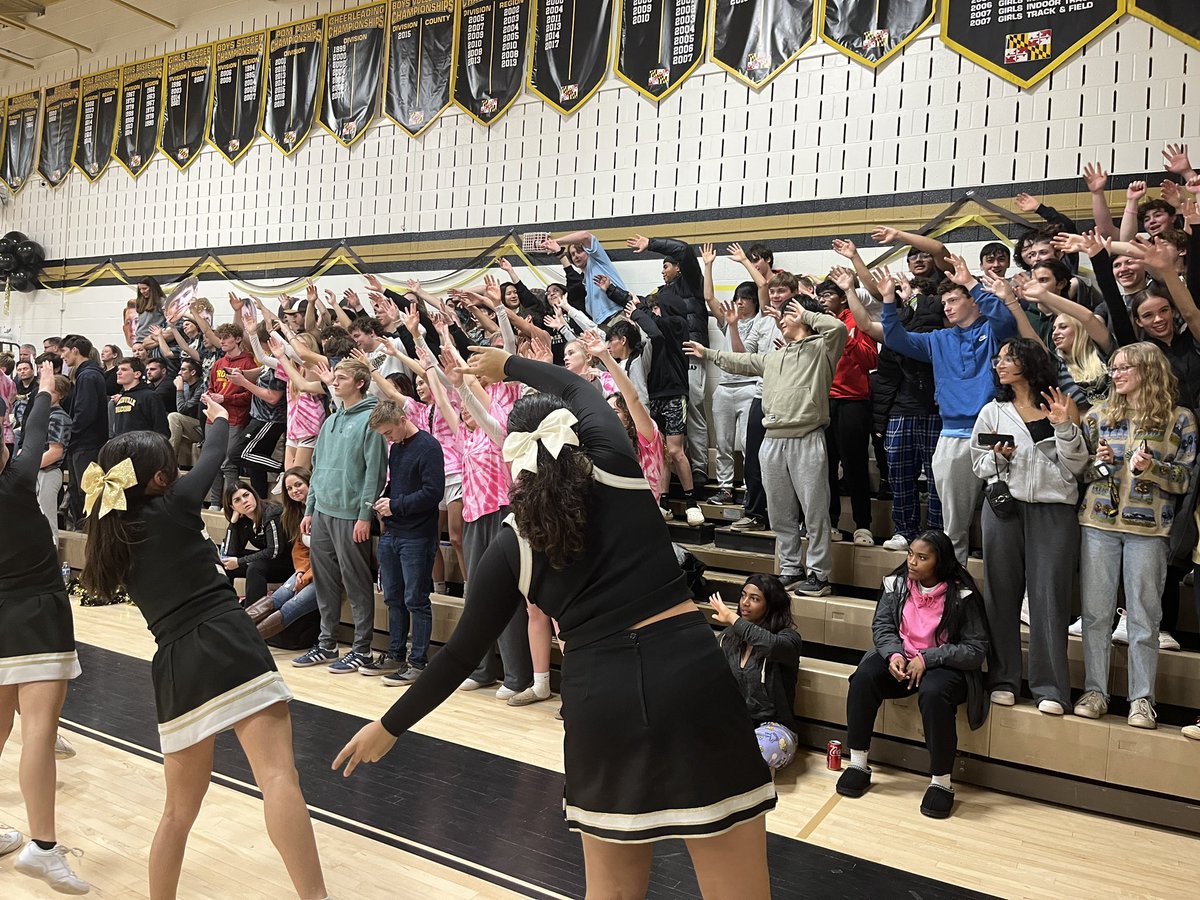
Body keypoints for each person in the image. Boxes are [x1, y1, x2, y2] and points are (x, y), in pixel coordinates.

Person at [335, 350, 774, 899]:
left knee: (611, 893)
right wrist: (509, 365)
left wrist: (389, 726)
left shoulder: (508, 547)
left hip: (600, 700)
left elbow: (459, 655)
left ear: (512, 458)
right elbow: (575, 385)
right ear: (577, 435)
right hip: (690, 674)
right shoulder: (616, 462)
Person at [80, 394, 326, 899]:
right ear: (161, 479)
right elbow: (216, 450)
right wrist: (219, 411)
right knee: (279, 780)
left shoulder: (114, 533)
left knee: (177, 812)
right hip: (228, 639)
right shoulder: (174, 505)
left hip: (174, 664)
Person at [686, 304, 848, 597]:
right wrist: (707, 353)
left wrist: (806, 314)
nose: (781, 321)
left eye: (788, 316)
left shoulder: (821, 350)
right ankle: (790, 568)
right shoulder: (774, 357)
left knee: (814, 510)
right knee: (780, 512)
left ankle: (819, 575)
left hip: (806, 437)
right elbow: (740, 361)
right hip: (772, 439)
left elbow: (838, 328)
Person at [1074, 343, 1197, 728]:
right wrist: (1100, 465)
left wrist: (1153, 467)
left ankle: (1141, 700)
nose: (1116, 374)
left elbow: (1185, 480)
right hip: (1098, 525)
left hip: (1150, 530)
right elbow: (1081, 475)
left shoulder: (1179, 420)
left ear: (1148, 370)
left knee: (1145, 618)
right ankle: (1095, 690)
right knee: (1095, 614)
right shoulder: (1096, 417)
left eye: (1124, 367)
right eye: (1113, 368)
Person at [0, 361, 88, 894]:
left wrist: (41, 394)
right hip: (36, 612)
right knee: (38, 731)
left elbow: (29, 431)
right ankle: (44, 847)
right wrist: (48, 389)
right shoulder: (17, 477)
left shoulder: (17, 471)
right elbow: (34, 429)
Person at [835, 530, 988, 820]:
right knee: (864, 677)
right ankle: (858, 763)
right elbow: (882, 628)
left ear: (939, 562)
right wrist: (893, 654)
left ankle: (941, 782)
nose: (912, 562)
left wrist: (928, 658)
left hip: (944, 665)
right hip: (902, 659)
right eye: (910, 554)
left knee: (933, 693)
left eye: (922, 557)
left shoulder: (962, 595)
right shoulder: (895, 585)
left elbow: (974, 649)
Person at [970, 340, 1088, 715]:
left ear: (1029, 362)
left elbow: (1078, 466)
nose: (999, 363)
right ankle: (1003, 679)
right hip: (1004, 508)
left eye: (1008, 357)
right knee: (1000, 596)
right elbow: (978, 465)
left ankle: (1051, 687)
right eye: (1000, 358)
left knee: (1050, 597)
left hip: (1054, 510)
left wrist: (1064, 427)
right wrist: (996, 458)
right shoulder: (993, 410)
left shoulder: (1060, 403)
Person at [881, 256, 1019, 564]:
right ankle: (953, 587)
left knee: (1006, 518)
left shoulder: (993, 331)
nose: (947, 307)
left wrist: (971, 281)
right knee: (951, 526)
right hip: (952, 434)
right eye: (944, 302)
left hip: (994, 432)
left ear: (973, 301)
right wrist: (889, 302)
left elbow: (1007, 321)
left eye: (954, 299)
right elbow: (895, 338)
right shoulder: (938, 339)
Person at [291, 359, 387, 673]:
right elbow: (316, 468)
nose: (335, 381)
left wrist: (364, 515)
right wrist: (309, 508)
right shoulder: (330, 419)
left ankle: (362, 649)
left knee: (356, 583)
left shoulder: (371, 420)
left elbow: (375, 473)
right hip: (322, 512)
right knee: (325, 583)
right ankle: (327, 644)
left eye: (342, 377)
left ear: (360, 383)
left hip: (350, 516)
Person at [358, 400, 444, 682]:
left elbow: (433, 493)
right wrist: (386, 502)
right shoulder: (396, 448)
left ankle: (418, 661)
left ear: (402, 419)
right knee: (393, 597)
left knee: (416, 600)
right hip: (394, 532)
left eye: (388, 432)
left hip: (417, 535)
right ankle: (395, 654)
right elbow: (397, 484)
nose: (387, 438)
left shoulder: (429, 447)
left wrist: (396, 505)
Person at [709, 575, 803, 771]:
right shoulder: (727, 638)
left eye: (754, 598)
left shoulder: (788, 640)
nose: (744, 603)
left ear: (771, 605)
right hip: (736, 722)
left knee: (763, 748)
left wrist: (732, 619)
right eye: (743, 595)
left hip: (774, 728)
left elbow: (770, 645)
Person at [244, 468, 319, 642]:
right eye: (290, 488)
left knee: (291, 604)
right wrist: (300, 571)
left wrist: (306, 576)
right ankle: (237, 631)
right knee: (278, 597)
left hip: (327, 573)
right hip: (307, 570)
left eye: (298, 485)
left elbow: (327, 553)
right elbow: (300, 548)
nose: (294, 491)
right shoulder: (295, 513)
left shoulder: (323, 511)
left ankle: (247, 640)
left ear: (310, 484)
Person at [60, 336, 108, 527]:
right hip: (85, 441)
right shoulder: (87, 373)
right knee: (78, 488)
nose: (62, 356)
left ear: (75, 351)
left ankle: (87, 529)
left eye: (64, 351)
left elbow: (85, 412)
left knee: (85, 490)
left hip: (86, 442)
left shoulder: (88, 375)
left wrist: (71, 434)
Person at [219, 485, 293, 603]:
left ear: (253, 494)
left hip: (288, 563)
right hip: (269, 562)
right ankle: (226, 607)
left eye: (246, 495)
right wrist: (233, 523)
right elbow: (229, 553)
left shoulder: (272, 513)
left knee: (255, 567)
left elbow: (273, 551)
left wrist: (239, 562)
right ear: (233, 507)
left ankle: (253, 614)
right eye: (237, 500)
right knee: (225, 565)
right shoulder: (243, 520)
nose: (244, 501)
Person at [31, 374, 72, 547]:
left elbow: (55, 452)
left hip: (48, 471)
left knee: (47, 522)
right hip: (37, 471)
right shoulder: (43, 414)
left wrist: (27, 464)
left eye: (51, 391)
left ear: (60, 395)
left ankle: (52, 563)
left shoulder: (58, 417)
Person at [112, 357, 171, 439]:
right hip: (122, 447)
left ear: (137, 374)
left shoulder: (150, 396)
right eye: (118, 369)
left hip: (143, 448)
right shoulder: (121, 398)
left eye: (124, 370)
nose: (118, 373)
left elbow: (162, 430)